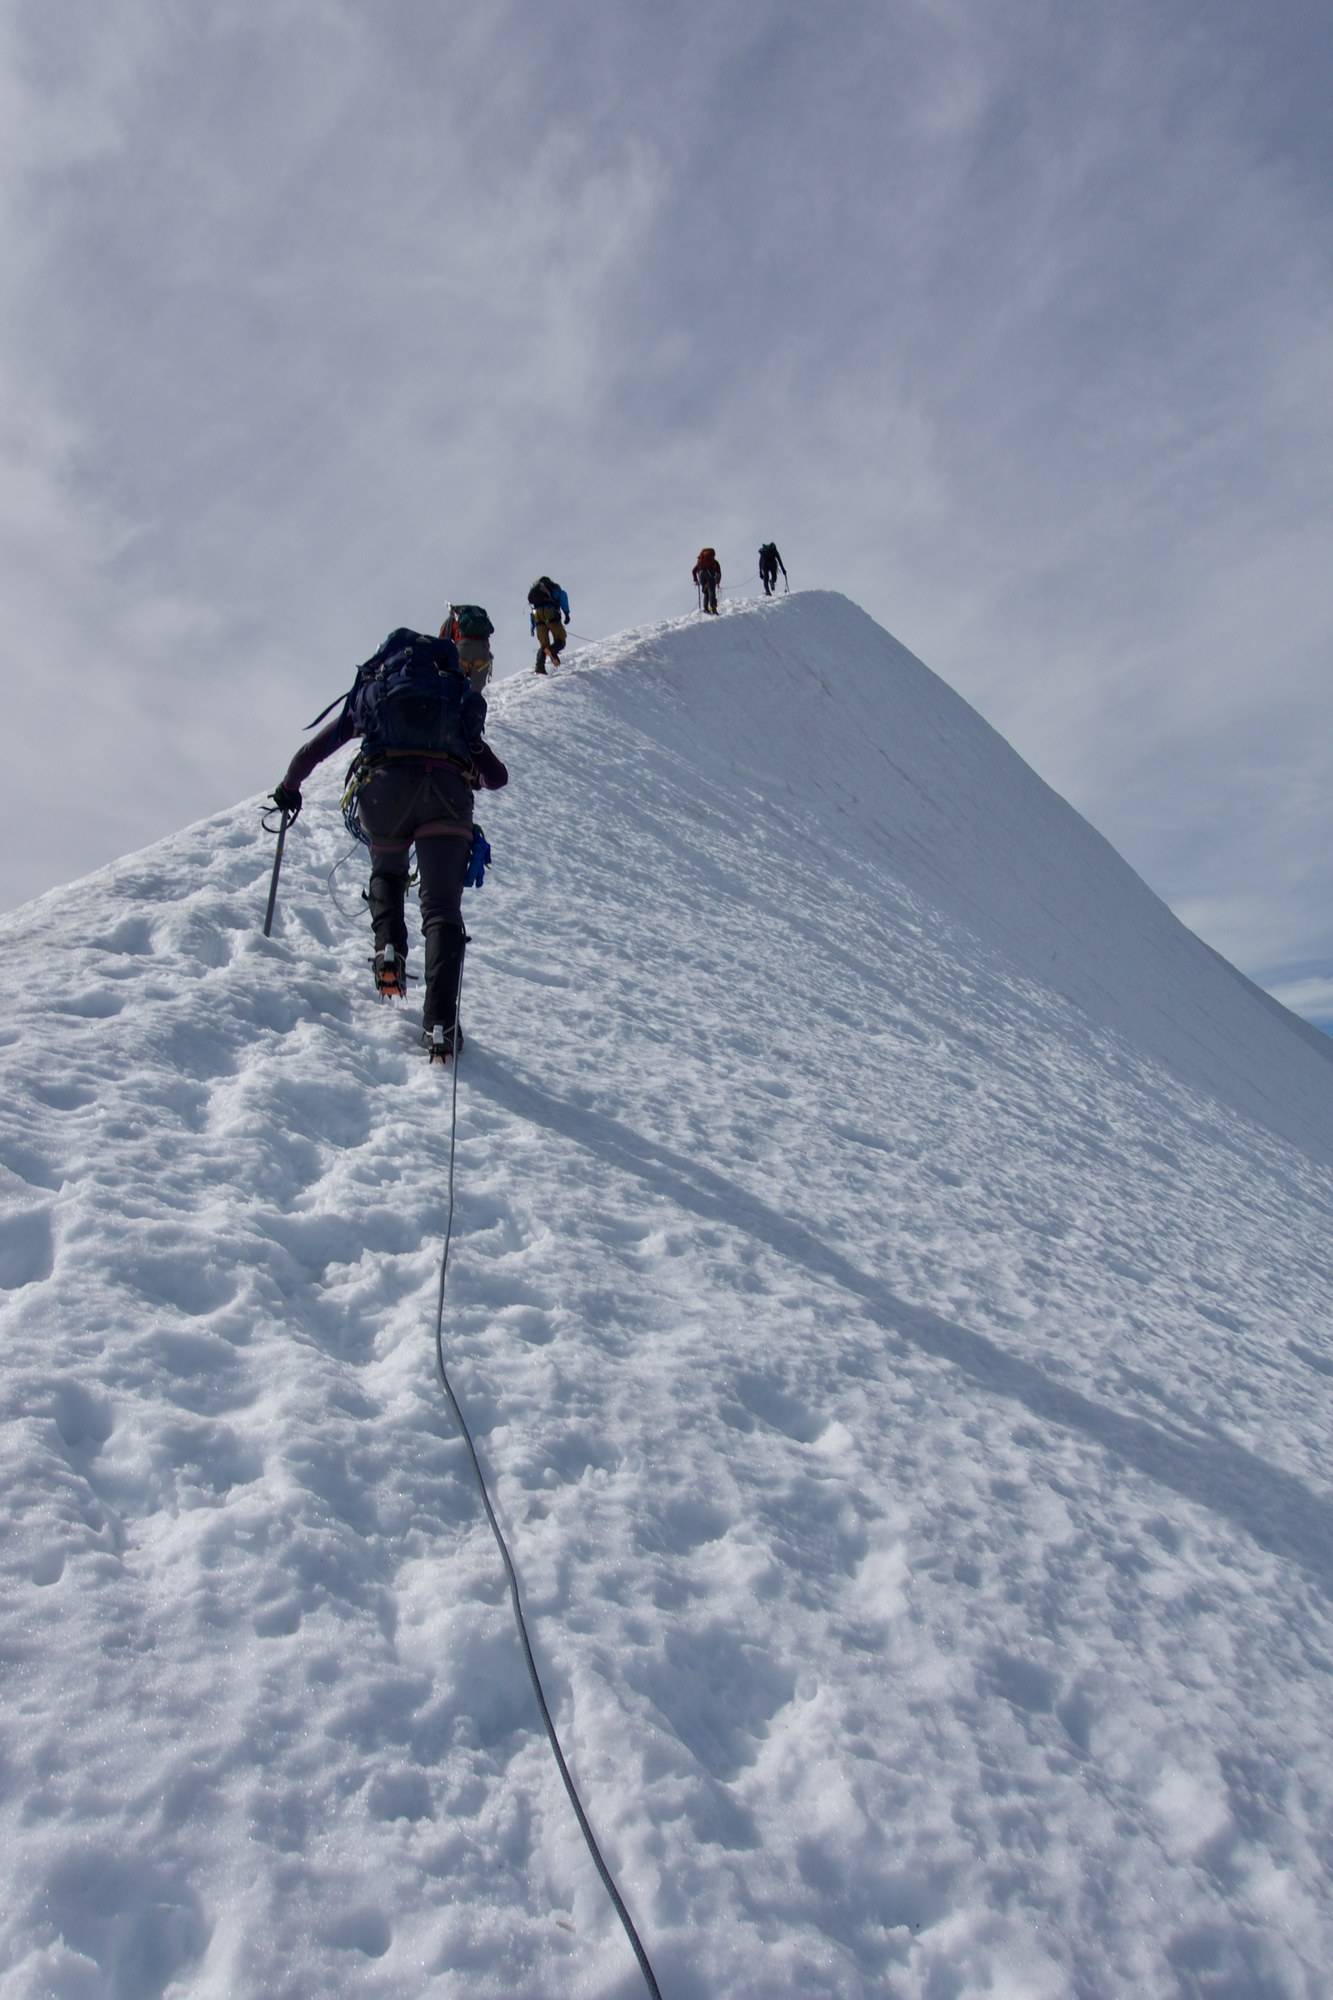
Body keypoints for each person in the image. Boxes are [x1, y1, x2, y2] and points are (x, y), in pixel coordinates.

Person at [270, 626, 508, 1058]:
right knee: (441, 910)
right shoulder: (454, 696)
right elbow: (497, 777)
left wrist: (289, 787)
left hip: (383, 792)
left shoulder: (376, 692)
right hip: (446, 798)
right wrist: (467, 755)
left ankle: (389, 949)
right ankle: (440, 1024)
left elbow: (312, 751)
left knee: (388, 871)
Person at [443, 604, 495, 693]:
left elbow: (443, 642)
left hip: (464, 648)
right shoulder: (480, 618)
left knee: (455, 682)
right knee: (477, 689)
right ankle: (474, 700)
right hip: (483, 650)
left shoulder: (453, 619)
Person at [528, 576, 570, 673]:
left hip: (537, 616)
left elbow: (533, 611)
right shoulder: (553, 587)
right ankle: (552, 651)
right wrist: (566, 613)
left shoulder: (535, 592)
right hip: (550, 613)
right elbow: (563, 597)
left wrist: (532, 627)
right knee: (561, 639)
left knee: (544, 645)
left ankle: (539, 667)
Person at [693, 547, 722, 615]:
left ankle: (706, 609)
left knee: (706, 592)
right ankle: (713, 609)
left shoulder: (700, 562)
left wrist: (696, 580)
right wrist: (718, 582)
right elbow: (719, 573)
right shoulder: (714, 562)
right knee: (711, 591)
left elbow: (693, 571)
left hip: (701, 574)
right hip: (710, 574)